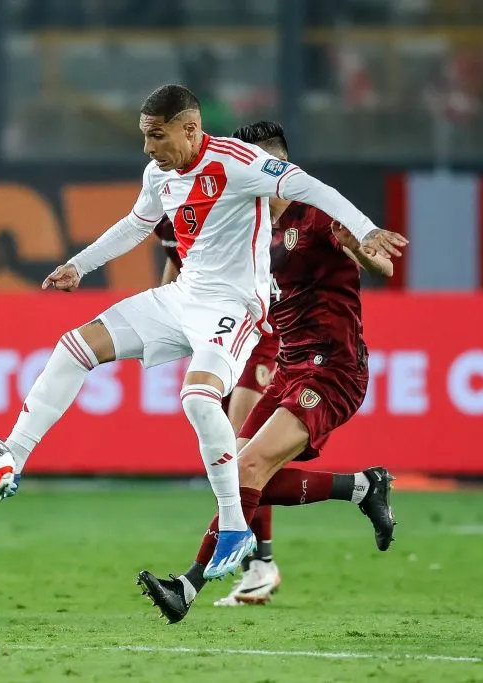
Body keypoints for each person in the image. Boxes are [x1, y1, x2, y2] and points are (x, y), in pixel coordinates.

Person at [0, 86, 405, 576]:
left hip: (234, 305)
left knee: (199, 399)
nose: (147, 148)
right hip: (183, 297)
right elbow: (136, 225)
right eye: (144, 136)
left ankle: (233, 528)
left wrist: (367, 228)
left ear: (189, 129)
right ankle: (13, 454)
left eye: (156, 136)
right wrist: (79, 265)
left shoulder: (237, 161)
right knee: (75, 346)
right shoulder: (158, 174)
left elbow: (311, 187)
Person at [137, 121, 400, 623]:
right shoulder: (252, 223)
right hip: (288, 366)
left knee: (246, 470)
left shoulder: (317, 216)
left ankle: (189, 586)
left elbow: (382, 268)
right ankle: (363, 487)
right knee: (233, 470)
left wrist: (360, 242)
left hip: (332, 369)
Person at [155, 212, 281, 605]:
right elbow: (173, 278)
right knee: (234, 457)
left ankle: (262, 563)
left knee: (239, 454)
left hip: (256, 334)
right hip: (214, 342)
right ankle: (357, 487)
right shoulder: (167, 219)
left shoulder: (229, 204)